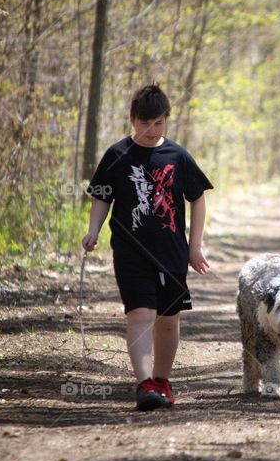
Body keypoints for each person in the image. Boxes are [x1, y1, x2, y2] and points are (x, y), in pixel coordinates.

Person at [82, 84, 212, 411]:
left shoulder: (178, 156)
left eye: (158, 123)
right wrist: (93, 230)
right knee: (140, 314)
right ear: (132, 119)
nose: (151, 131)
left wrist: (194, 247)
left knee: (168, 319)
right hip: (130, 252)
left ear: (166, 120)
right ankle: (144, 385)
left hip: (172, 254)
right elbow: (102, 196)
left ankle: (162, 381)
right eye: (144, 123)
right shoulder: (117, 155)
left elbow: (197, 198)